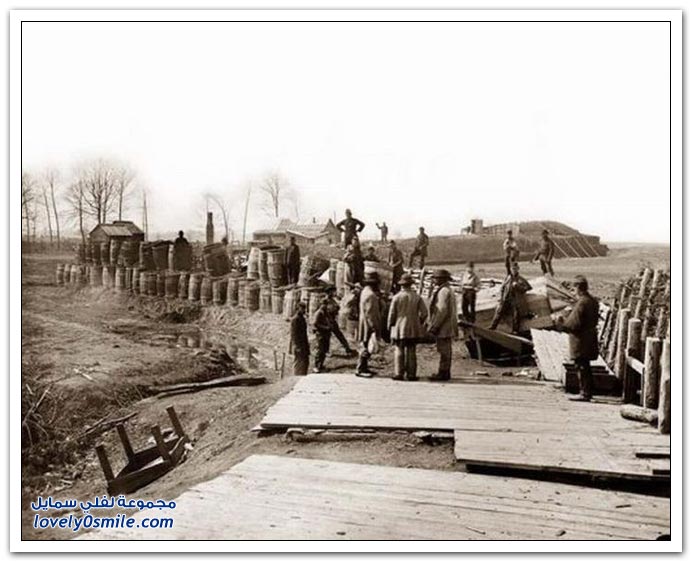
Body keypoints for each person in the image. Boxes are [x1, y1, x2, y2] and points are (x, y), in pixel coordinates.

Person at [555, 275, 600, 402]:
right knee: (585, 366)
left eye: (574, 288)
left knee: (581, 366)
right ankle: (588, 392)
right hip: (589, 337)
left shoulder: (582, 302)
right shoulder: (592, 301)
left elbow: (575, 323)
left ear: (578, 288)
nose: (573, 291)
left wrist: (562, 322)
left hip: (580, 339)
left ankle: (585, 393)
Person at [388, 273, 428, 381]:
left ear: (401, 285)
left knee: (399, 349)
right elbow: (424, 313)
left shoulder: (396, 297)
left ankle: (398, 373)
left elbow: (392, 314)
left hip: (399, 326)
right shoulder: (416, 297)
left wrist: (390, 325)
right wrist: (419, 321)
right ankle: (411, 374)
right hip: (413, 327)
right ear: (411, 285)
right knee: (411, 350)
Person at [427, 269, 459, 381]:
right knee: (446, 349)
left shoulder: (443, 292)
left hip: (444, 326)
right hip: (447, 324)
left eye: (435, 278)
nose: (434, 280)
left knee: (443, 350)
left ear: (441, 279)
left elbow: (442, 310)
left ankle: (443, 372)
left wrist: (435, 326)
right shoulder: (447, 290)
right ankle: (445, 372)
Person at [490, 262, 532, 333]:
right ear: (511, 269)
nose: (514, 270)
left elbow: (528, 288)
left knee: (516, 314)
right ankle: (492, 327)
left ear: (518, 269)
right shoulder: (508, 278)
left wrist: (518, 286)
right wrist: (501, 298)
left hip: (515, 299)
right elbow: (502, 288)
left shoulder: (521, 279)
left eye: (515, 269)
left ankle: (515, 331)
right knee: (499, 311)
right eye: (513, 269)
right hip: (506, 298)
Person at [356, 271, 382, 377]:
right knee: (365, 346)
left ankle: (364, 367)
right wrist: (375, 327)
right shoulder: (371, 295)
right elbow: (371, 314)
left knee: (365, 344)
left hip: (363, 322)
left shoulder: (364, 292)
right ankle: (360, 369)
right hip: (368, 324)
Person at [325, 285, 355, 356]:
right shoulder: (325, 301)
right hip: (327, 321)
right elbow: (327, 311)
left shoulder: (332, 299)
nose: (334, 293)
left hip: (332, 320)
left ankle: (347, 349)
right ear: (329, 292)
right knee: (327, 337)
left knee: (339, 335)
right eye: (332, 291)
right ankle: (326, 351)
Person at [289, 301, 309, 375]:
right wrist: (297, 346)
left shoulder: (301, 318)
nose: (304, 310)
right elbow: (293, 334)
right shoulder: (295, 319)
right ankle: (296, 377)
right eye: (302, 308)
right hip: (298, 345)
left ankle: (303, 376)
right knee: (298, 362)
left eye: (304, 308)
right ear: (298, 308)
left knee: (304, 362)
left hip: (303, 344)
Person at [312, 298, 332, 372]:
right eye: (324, 304)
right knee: (320, 350)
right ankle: (316, 366)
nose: (325, 306)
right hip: (320, 334)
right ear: (321, 304)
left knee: (324, 350)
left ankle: (321, 365)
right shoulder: (318, 313)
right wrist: (326, 327)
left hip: (326, 334)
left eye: (326, 304)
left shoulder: (326, 312)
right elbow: (315, 324)